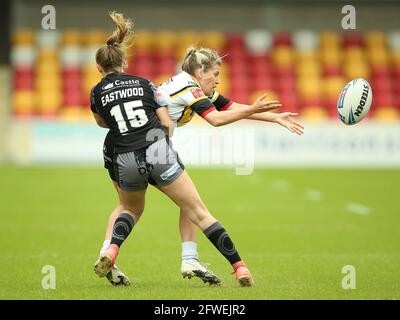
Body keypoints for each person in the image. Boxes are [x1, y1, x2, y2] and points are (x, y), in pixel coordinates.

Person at [92, 12, 279, 287]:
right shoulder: (169, 86)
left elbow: (227, 105)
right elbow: (211, 118)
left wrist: (274, 117)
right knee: (197, 209)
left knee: (129, 208)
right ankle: (238, 266)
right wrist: (161, 145)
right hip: (155, 147)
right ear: (200, 71)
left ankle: (110, 251)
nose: (217, 80)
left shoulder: (101, 91)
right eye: (215, 74)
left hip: (121, 150)